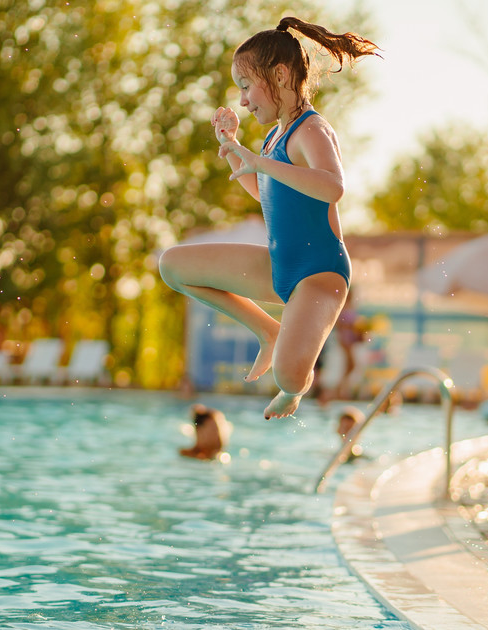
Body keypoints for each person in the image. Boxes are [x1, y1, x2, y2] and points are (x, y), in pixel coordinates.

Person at [159, 17, 380, 420]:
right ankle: (267, 329)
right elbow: (269, 197)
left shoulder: (311, 130)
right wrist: (233, 148)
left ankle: (295, 385)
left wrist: (259, 162)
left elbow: (333, 187)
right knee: (173, 266)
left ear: (280, 75)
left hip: (319, 275)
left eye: (246, 86)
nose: (242, 100)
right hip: (280, 264)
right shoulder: (274, 136)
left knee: (289, 377)